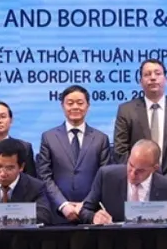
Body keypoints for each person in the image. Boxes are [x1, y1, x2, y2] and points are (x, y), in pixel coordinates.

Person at [112, 59, 167, 206]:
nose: (153, 77)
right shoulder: (126, 110)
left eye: (157, 73)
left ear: (166, 79)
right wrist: (141, 176)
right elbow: (120, 149)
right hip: (138, 188)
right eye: (147, 74)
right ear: (140, 81)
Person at [35, 85, 112, 224]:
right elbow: (44, 176)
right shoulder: (48, 137)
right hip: (57, 214)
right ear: (62, 106)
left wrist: (85, 205)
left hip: (91, 214)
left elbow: (104, 178)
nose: (75, 107)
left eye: (80, 103)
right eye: (70, 103)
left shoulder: (101, 138)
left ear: (88, 106)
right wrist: (63, 205)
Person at [81, 139, 167, 223]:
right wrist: (94, 217)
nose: (132, 174)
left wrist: (166, 220)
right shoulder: (106, 177)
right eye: (131, 165)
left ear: (154, 168)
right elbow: (84, 210)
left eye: (140, 171)